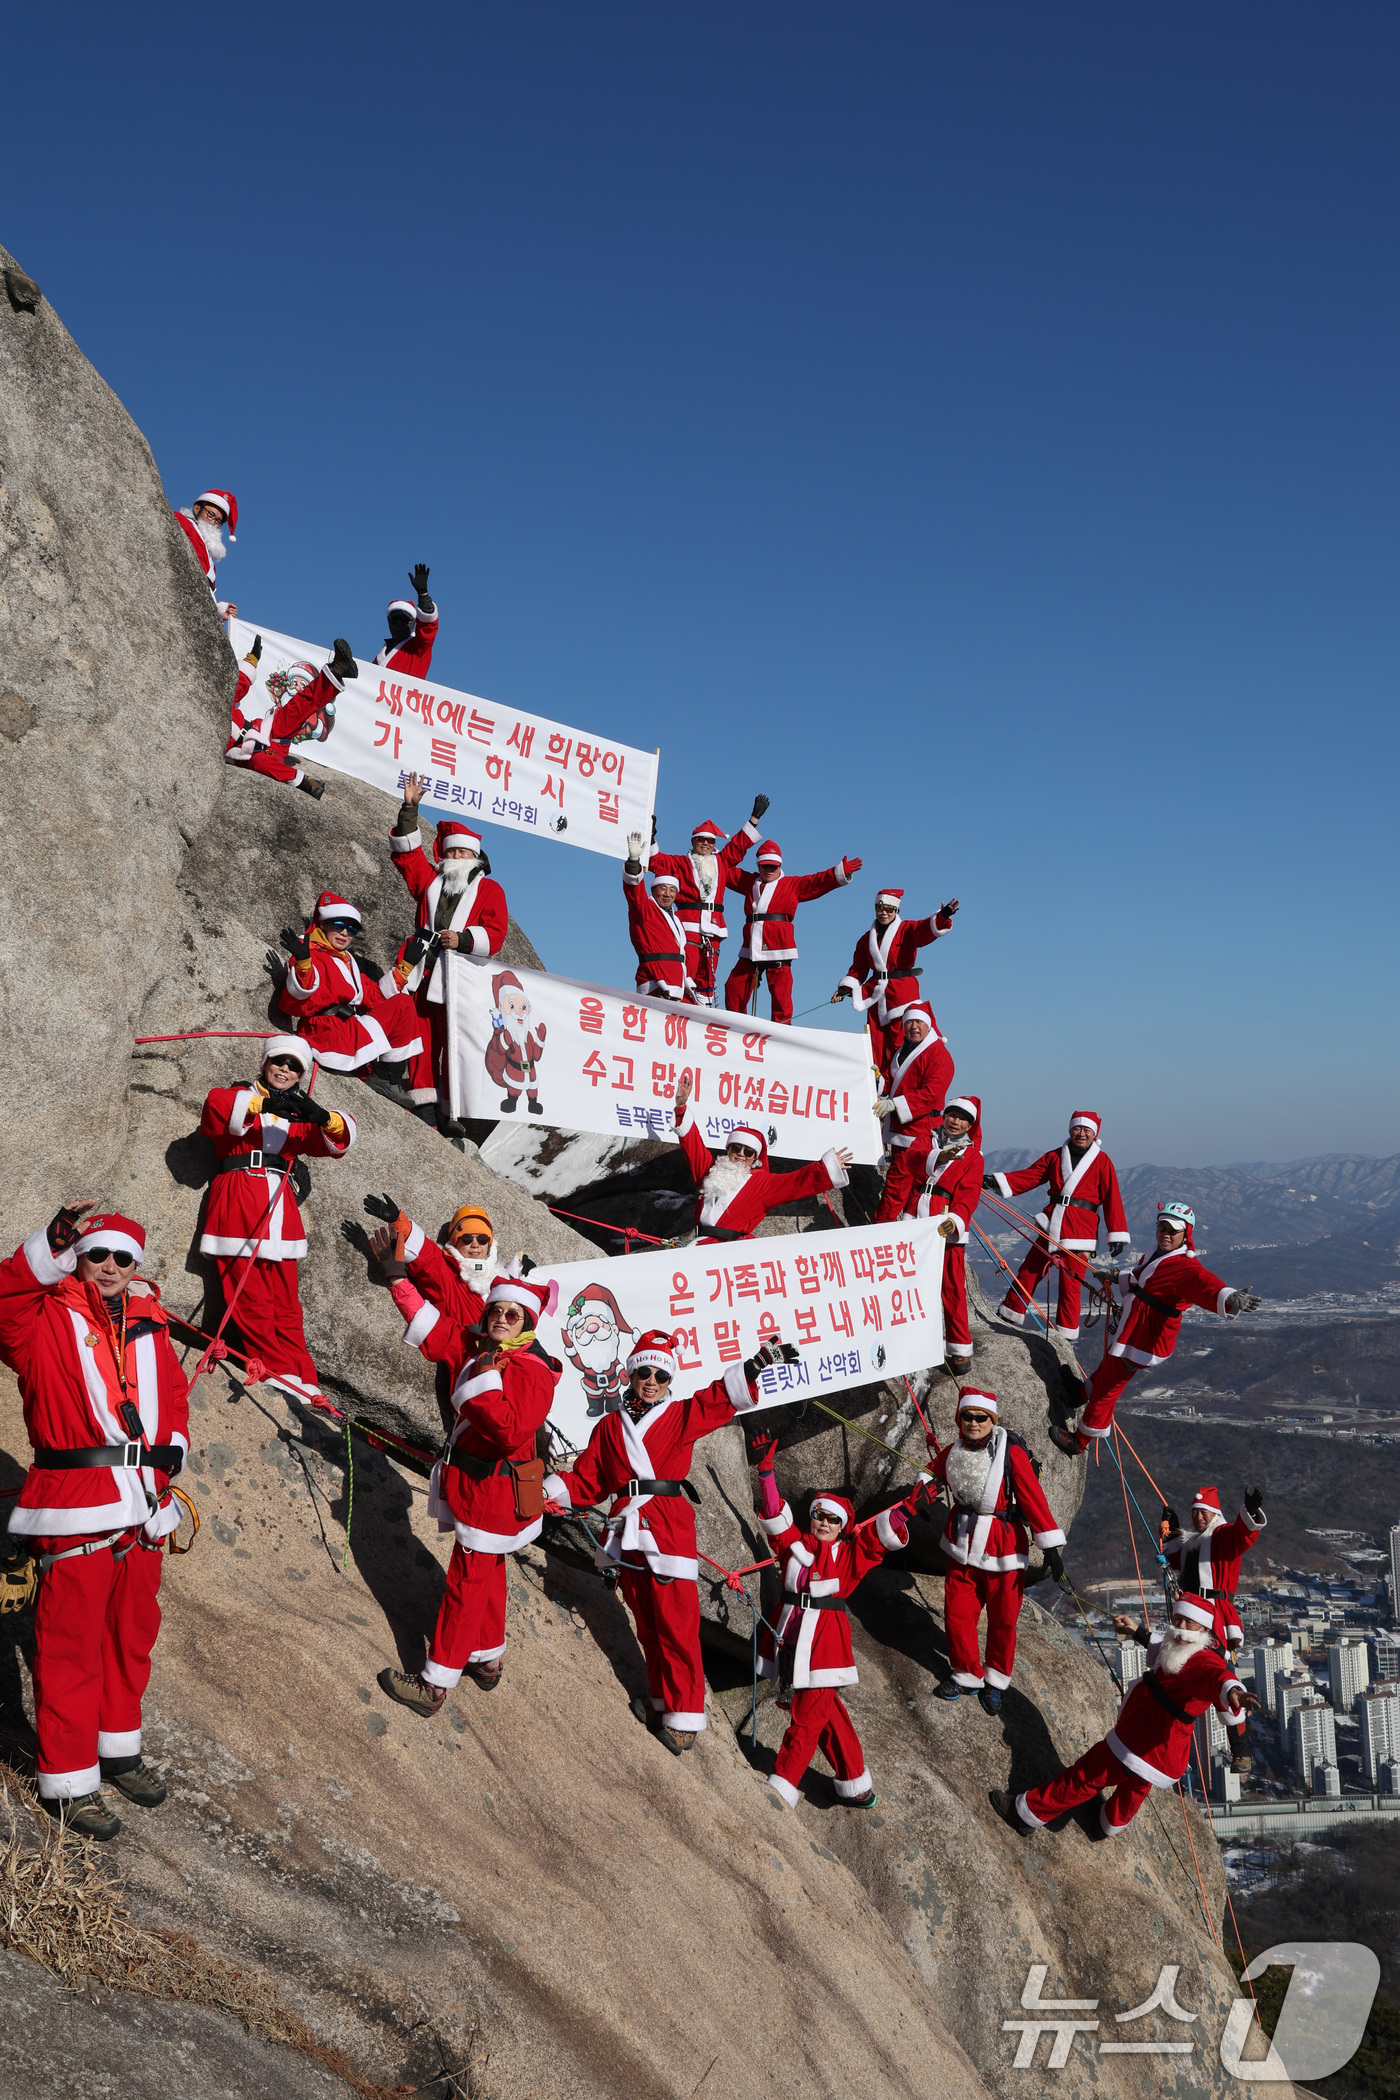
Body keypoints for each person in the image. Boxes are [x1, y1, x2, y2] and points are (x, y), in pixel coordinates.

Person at [0, 1203, 189, 1839]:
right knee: (70, 1644)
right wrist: (49, 1242)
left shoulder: (152, 1323)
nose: (108, 1267)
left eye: (121, 1258)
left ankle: (118, 1750)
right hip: (77, 1501)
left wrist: (175, 1453)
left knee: (130, 1636)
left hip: (146, 1503)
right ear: (77, 1257)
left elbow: (175, 1397)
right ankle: (68, 1780)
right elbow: (3, 1304)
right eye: (96, 1254)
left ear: (137, 1267)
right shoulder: (42, 1317)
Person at [542, 1330, 785, 1753]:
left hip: (666, 1526)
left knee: (677, 1623)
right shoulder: (608, 1428)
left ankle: (685, 1716)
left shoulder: (680, 1416)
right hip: (626, 1527)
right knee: (647, 1621)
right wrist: (550, 1491)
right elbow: (588, 1480)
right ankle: (659, 1701)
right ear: (630, 1375)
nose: (652, 1381)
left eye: (660, 1375)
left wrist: (756, 1364)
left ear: (669, 1380)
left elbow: (718, 1398)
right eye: (645, 1372)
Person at [379, 1266, 562, 1711]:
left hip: (493, 1495)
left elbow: (510, 1429)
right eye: (495, 1310)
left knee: (465, 1583)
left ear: (529, 1322)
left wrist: (482, 1375)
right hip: (480, 1487)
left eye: (512, 1315)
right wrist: (397, 1280)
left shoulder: (532, 1371)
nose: (500, 1319)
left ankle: (435, 1683)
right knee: (491, 1570)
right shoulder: (485, 1348)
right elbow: (437, 1331)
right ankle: (487, 1656)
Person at [993, 1593, 1258, 1837]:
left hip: (1141, 1740)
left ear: (1204, 1629)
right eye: (1178, 1620)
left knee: (1086, 1775)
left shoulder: (1203, 1661)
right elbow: (1164, 1647)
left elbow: (1216, 1676)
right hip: (1162, 1748)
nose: (1181, 1628)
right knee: (1137, 1787)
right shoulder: (1183, 1646)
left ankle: (1028, 1813)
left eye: (1189, 1623)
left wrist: (1233, 1689)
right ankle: (1111, 1822)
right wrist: (1136, 1630)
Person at [198, 1037, 357, 1415]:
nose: (285, 1069)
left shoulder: (296, 1111)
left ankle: (306, 1381)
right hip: (239, 1198)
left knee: (286, 1304)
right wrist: (263, 1104)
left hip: (279, 1208)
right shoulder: (240, 1094)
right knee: (252, 1300)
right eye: (279, 1061)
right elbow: (215, 1109)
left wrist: (325, 1118)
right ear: (266, 1062)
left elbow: (339, 1141)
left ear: (302, 1074)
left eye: (294, 1065)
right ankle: (279, 1376)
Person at [753, 1435, 911, 1808]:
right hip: (791, 1641)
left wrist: (906, 1510)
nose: (823, 1522)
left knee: (807, 1719)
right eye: (818, 1515)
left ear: (842, 1525)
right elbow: (775, 1516)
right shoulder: (795, 1544)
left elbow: (876, 1539)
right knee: (825, 1712)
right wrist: (765, 1472)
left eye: (832, 1518)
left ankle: (782, 1786)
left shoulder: (851, 1555)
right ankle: (855, 1784)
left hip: (824, 1646)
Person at [1049, 1203, 1260, 1454]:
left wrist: (1227, 1296)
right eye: (1162, 1227)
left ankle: (1080, 1441)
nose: (1166, 1234)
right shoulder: (1155, 1253)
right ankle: (1079, 1394)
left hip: (1146, 1337)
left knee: (1109, 1386)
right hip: (1135, 1325)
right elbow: (1140, 1277)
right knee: (1110, 1368)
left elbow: (1205, 1283)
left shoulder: (1185, 1266)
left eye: (1173, 1230)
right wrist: (1115, 1276)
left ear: (1186, 1234)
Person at [919, 1388, 1065, 1713]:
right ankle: (966, 1673)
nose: (974, 1422)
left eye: (981, 1417)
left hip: (1003, 1545)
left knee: (1003, 1620)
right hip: (962, 1544)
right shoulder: (953, 1450)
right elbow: (931, 1473)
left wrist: (1051, 1547)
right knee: (958, 1613)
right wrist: (919, 1496)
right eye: (967, 1416)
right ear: (959, 1419)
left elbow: (1032, 1498)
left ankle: (996, 1681)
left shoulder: (1010, 1454)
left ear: (992, 1420)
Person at [388, 777, 510, 1138]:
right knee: (422, 1037)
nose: (456, 858)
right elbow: (408, 858)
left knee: (457, 1043)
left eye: (463, 853)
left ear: (475, 858)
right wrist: (409, 809)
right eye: (452, 852)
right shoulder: (431, 881)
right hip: (424, 967)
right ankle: (424, 1102)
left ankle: (453, 1109)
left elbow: (497, 932)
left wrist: (464, 938)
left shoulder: (490, 889)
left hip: (459, 975)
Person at [277, 891, 434, 1119]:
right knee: (402, 1003)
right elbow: (300, 997)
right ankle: (387, 1078)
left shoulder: (346, 960)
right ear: (323, 924)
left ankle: (389, 1078)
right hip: (326, 1033)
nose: (344, 933)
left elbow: (375, 996)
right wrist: (302, 962)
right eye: (339, 925)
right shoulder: (309, 953)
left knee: (403, 1002)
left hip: (348, 1030)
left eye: (352, 930)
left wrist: (405, 966)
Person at [986, 1111, 1131, 1342]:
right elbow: (1030, 1176)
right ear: (1070, 1130)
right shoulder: (1054, 1156)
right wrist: (997, 1181)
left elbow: (1112, 1198)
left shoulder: (1103, 1162)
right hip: (1052, 1224)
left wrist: (1116, 1235)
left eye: (1086, 1130)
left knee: (1071, 1284)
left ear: (1095, 1134)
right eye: (1077, 1129)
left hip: (1081, 1230)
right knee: (1030, 1269)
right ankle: (1011, 1312)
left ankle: (1066, 1333)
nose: (1081, 1134)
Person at [671, 1071, 852, 1243]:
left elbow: (796, 1182)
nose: (741, 1154)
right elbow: (692, 1145)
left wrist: (828, 1167)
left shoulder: (761, 1184)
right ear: (728, 1150)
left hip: (730, 1252)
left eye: (748, 1151)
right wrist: (681, 1107)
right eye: (737, 1148)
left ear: (754, 1159)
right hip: (698, 1247)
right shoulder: (710, 1171)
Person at [1162, 1482, 1266, 1770]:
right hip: (1188, 1616)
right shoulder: (1193, 1543)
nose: (1198, 1517)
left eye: (1203, 1512)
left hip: (1214, 1616)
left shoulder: (1220, 1536)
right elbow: (1174, 1560)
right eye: (1195, 1512)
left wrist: (1249, 1512)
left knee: (1220, 1673)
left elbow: (1241, 1535)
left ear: (1214, 1514)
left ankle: (1241, 1750)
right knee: (1177, 1671)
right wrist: (1171, 1530)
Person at [724, 842, 863, 1026]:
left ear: (780, 866)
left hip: (779, 946)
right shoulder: (749, 882)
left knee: (781, 998)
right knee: (734, 986)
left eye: (773, 866)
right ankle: (735, 1026)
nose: (769, 870)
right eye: (765, 866)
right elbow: (723, 869)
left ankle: (783, 1034)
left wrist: (838, 872)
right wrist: (709, 853)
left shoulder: (792, 884)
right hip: (751, 946)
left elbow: (816, 882)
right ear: (758, 866)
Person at [833, 889, 960, 1087]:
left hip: (901, 996)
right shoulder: (866, 939)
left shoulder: (907, 929)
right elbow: (857, 969)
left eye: (889, 908)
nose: (884, 912)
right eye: (880, 908)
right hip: (875, 996)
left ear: (896, 909)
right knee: (874, 1045)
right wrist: (844, 989)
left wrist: (942, 916)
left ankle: (897, 1088)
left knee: (899, 1045)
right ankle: (876, 1088)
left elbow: (924, 930)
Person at [647, 801, 768, 1004]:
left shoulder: (721, 861)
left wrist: (753, 820)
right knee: (687, 969)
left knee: (709, 975)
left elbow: (738, 846)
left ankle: (704, 1011)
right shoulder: (681, 862)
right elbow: (656, 862)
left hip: (714, 926)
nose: (705, 844)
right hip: (688, 923)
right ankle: (683, 1008)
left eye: (710, 841)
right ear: (693, 841)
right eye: (701, 840)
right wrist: (650, 838)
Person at [226, 635, 359, 800]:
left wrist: (251, 659)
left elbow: (235, 687)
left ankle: (337, 671)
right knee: (259, 762)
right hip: (260, 752)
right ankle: (305, 782)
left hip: (265, 730)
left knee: (297, 707)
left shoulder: (221, 703)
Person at [909, 1096, 984, 1375]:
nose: (956, 1121)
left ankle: (959, 1347)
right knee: (911, 1283)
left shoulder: (974, 1158)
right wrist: (937, 1156)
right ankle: (913, 1339)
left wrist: (956, 1219)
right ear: (944, 1115)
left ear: (970, 1125)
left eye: (963, 1118)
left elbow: (969, 1195)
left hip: (945, 1223)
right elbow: (911, 1161)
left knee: (952, 1287)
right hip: (914, 1219)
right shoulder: (925, 1141)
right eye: (952, 1114)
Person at [871, 1002, 957, 1223]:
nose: (914, 1026)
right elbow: (891, 1081)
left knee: (896, 1186)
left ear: (928, 1025)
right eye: (909, 1022)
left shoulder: (939, 1055)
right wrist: (878, 1080)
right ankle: (901, 1232)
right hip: (902, 1128)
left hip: (919, 1131)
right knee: (910, 1190)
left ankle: (879, 1230)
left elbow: (932, 1093)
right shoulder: (902, 1050)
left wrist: (895, 1105)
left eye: (919, 1022)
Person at [623, 835, 692, 1000]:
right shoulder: (645, 909)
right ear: (653, 891)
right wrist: (633, 862)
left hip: (676, 984)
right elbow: (634, 893)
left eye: (672, 890)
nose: (668, 894)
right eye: (663, 888)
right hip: (654, 980)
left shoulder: (675, 919)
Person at [173, 488, 237, 618]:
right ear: (197, 508)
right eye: (210, 514)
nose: (213, 522)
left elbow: (203, 588)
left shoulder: (211, 563)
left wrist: (219, 609)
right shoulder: (181, 521)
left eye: (218, 521)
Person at [375, 564, 439, 675]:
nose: (399, 623)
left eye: (404, 619)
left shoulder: (419, 648)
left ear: (412, 622)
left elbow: (428, 627)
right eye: (396, 619)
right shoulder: (378, 659)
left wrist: (423, 594)